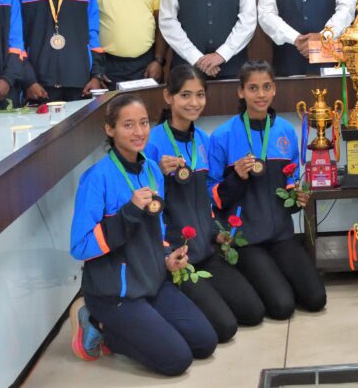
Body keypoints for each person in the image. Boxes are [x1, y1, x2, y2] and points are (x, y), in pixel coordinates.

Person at [68, 93, 218, 376]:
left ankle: (141, 326)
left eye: (144, 123)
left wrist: (166, 256)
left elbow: (157, 229)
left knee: (205, 342)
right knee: (177, 361)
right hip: (115, 292)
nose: (138, 132)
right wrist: (129, 211)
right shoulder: (96, 178)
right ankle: (98, 322)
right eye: (128, 125)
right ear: (110, 129)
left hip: (152, 281)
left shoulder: (151, 168)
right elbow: (80, 246)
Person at [144, 65, 265, 342]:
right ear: (168, 97)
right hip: (178, 255)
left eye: (200, 95)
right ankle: (159, 302)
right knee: (224, 329)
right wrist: (158, 174)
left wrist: (216, 231)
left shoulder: (203, 140)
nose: (194, 102)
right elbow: (145, 206)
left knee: (253, 311)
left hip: (206, 250)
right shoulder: (153, 142)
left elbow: (206, 198)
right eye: (185, 95)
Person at [205, 60, 327, 319]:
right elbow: (211, 195)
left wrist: (297, 198)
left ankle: (272, 277)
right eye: (253, 88)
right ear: (241, 92)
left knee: (316, 299)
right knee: (282, 308)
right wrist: (237, 176)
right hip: (246, 238)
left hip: (281, 236)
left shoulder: (284, 130)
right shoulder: (222, 136)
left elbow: (290, 182)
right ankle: (254, 278)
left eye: (266, 87)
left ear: (274, 90)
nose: (260, 95)